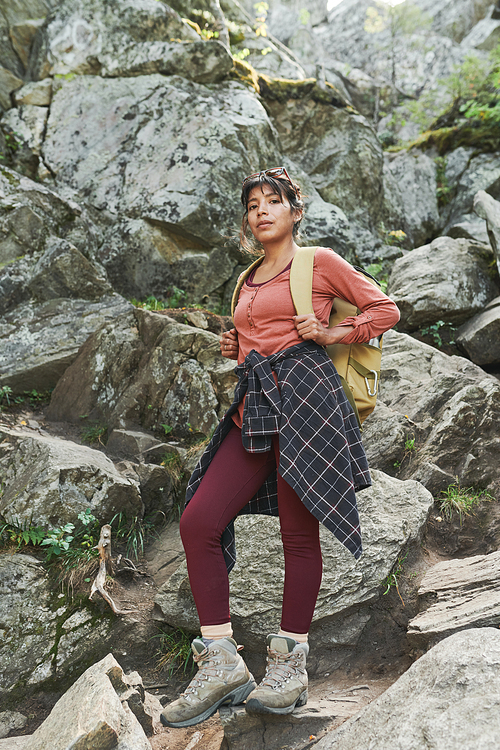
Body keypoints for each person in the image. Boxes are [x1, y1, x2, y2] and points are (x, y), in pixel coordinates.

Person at [160, 166, 400, 728]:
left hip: (308, 407)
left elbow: (386, 309)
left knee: (298, 533)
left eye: (273, 201)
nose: (261, 210)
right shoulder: (247, 277)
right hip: (255, 412)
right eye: (252, 205)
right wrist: (234, 343)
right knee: (199, 522)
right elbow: (254, 337)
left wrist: (336, 334)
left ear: (295, 210)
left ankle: (291, 666)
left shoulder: (319, 263)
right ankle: (221, 662)